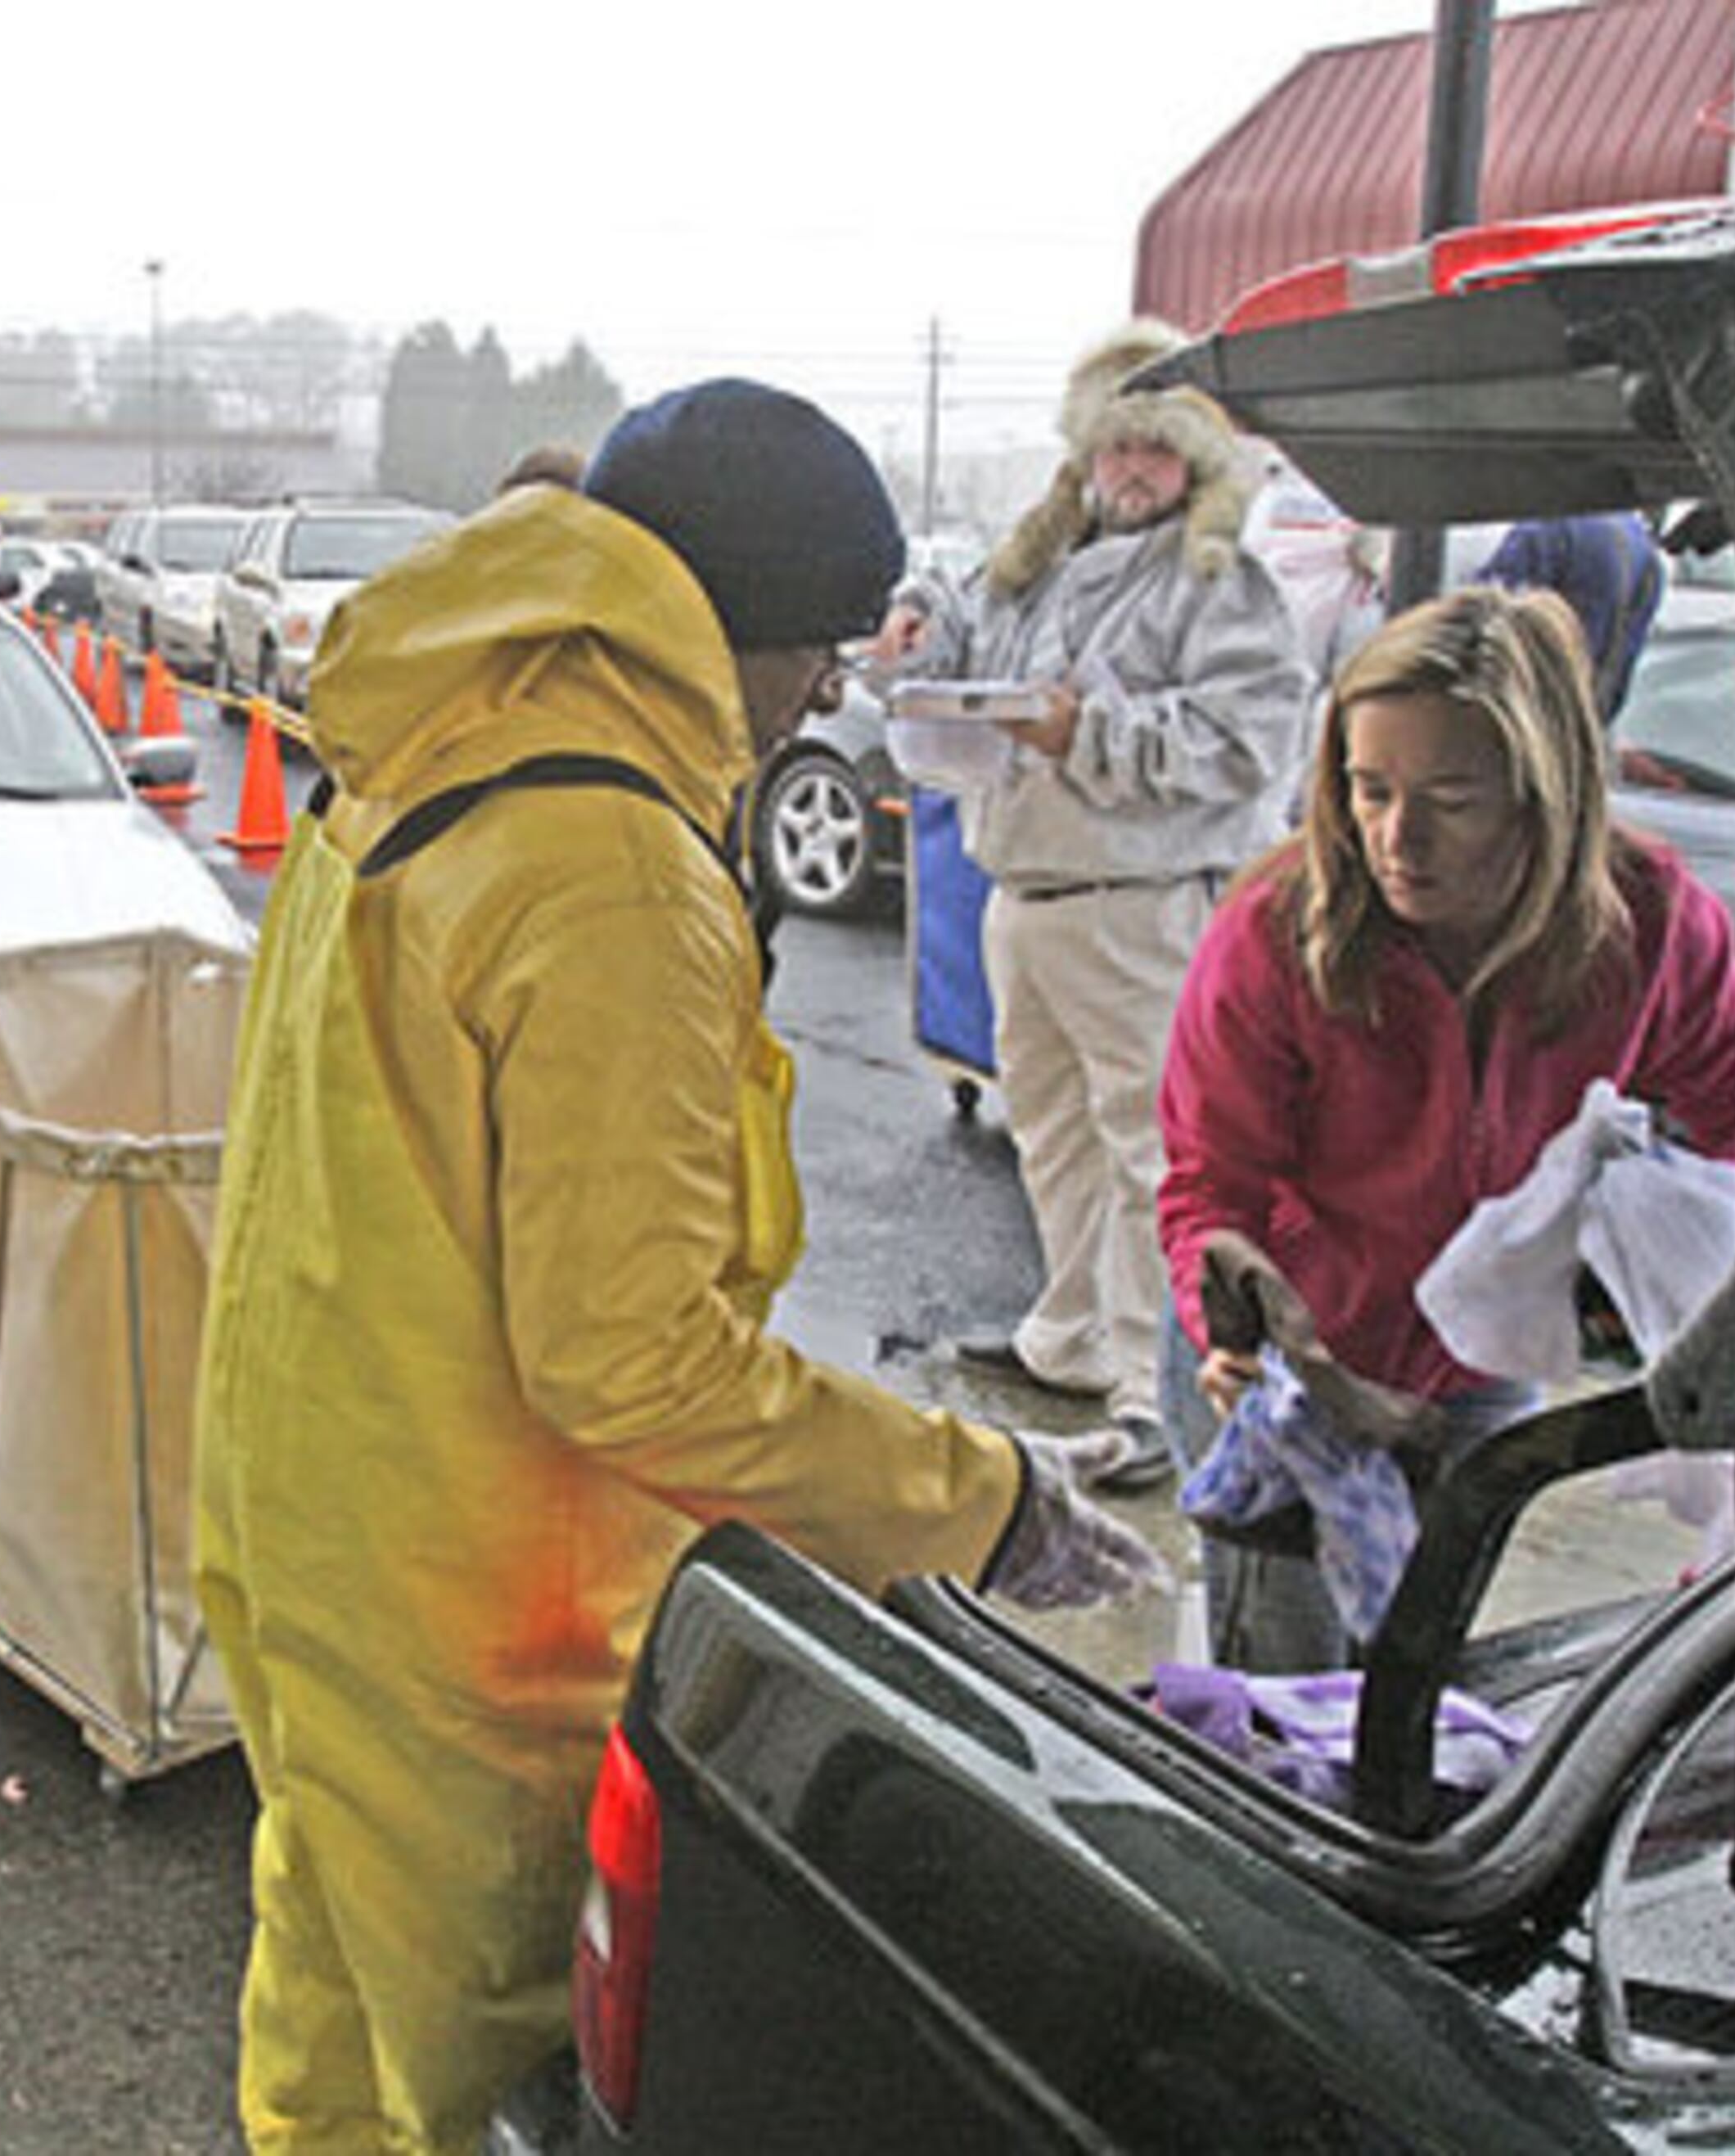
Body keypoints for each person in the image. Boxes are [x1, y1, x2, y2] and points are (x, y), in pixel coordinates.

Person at [192, 378, 1167, 2155]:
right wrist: (978, 1500)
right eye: (819, 654)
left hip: (306, 1500)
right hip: (476, 1593)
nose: (828, 699)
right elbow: (630, 1358)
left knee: (334, 2023)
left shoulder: (437, 728)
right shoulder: (614, 870)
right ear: (747, 632)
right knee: (480, 2077)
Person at [1156, 584, 1735, 1671]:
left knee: (1420, 1664)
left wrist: (1677, 1288)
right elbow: (1209, 1185)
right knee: (1289, 1687)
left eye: (1452, 797)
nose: (1397, 836)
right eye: (1368, 789)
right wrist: (1228, 1325)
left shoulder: (1652, 923)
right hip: (1294, 1366)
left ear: (1544, 790)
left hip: (1481, 1354)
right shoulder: (1275, 933)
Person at [881, 320, 1314, 1492]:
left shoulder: (1221, 585)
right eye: (1112, 448)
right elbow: (962, 623)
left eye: (1152, 452)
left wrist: (1093, 734)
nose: (1129, 472)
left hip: (1145, 907)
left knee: (1150, 1153)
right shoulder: (1042, 562)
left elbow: (1248, 742)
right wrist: (919, 614)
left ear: (1192, 464)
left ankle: (1151, 1392)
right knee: (1056, 1129)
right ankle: (1072, 1340)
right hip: (1027, 893)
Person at [1471, 511, 1666, 718]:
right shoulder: (1646, 554)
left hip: (1523, 718)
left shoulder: (1548, 527)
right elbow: (1622, 673)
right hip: (1580, 727)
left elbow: (1477, 624)